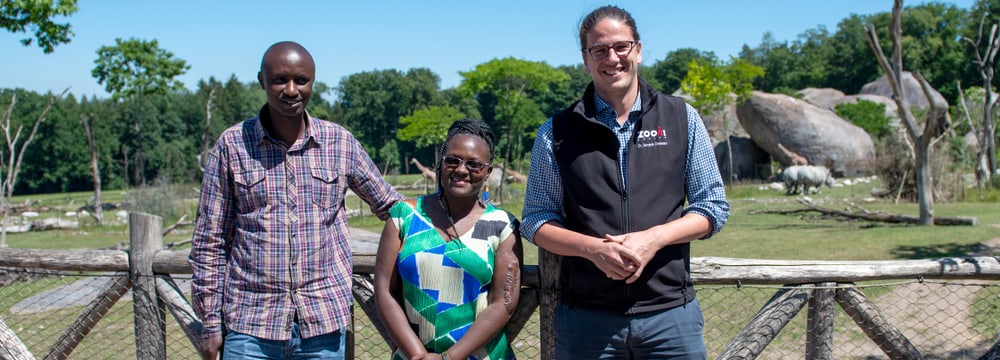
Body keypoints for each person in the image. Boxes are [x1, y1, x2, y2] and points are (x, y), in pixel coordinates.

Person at [521, 5, 730, 359]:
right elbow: (536, 219)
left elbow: (713, 206)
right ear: (585, 60)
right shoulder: (555, 132)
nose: (612, 58)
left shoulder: (682, 117)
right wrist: (593, 249)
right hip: (587, 319)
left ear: (639, 50)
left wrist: (654, 239)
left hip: (670, 316)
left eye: (621, 46)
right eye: (599, 50)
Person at [189, 41, 403, 359]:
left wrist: (460, 218)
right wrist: (209, 326)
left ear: (312, 82)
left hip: (322, 325)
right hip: (250, 326)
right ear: (262, 81)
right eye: (279, 80)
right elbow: (209, 242)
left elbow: (392, 207)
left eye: (301, 80)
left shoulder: (338, 143)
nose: (291, 90)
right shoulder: (233, 145)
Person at [374, 119, 523, 360]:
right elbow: (384, 291)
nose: (461, 170)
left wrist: (449, 358)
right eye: (452, 160)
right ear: (440, 164)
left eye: (474, 164)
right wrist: (419, 355)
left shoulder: (502, 225)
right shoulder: (403, 216)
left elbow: (502, 303)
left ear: (488, 172)